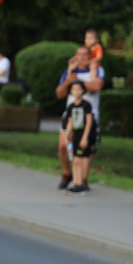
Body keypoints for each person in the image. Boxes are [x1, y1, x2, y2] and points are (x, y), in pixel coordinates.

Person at [54, 45, 104, 189]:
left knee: (84, 147)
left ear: (89, 57)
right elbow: (59, 93)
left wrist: (78, 82)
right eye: (79, 55)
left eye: (85, 55)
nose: (82, 58)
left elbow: (97, 86)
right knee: (64, 146)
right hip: (71, 114)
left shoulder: (96, 70)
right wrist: (68, 82)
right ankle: (67, 172)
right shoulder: (69, 72)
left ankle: (82, 179)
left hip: (89, 114)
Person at [61, 81, 94, 197]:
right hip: (74, 136)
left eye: (79, 89)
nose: (76, 92)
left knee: (79, 159)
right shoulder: (71, 105)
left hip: (82, 135)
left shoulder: (86, 105)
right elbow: (70, 121)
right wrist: (67, 136)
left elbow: (89, 122)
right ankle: (76, 182)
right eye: (74, 89)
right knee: (74, 160)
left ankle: (80, 184)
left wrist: (85, 138)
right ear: (71, 91)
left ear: (83, 91)